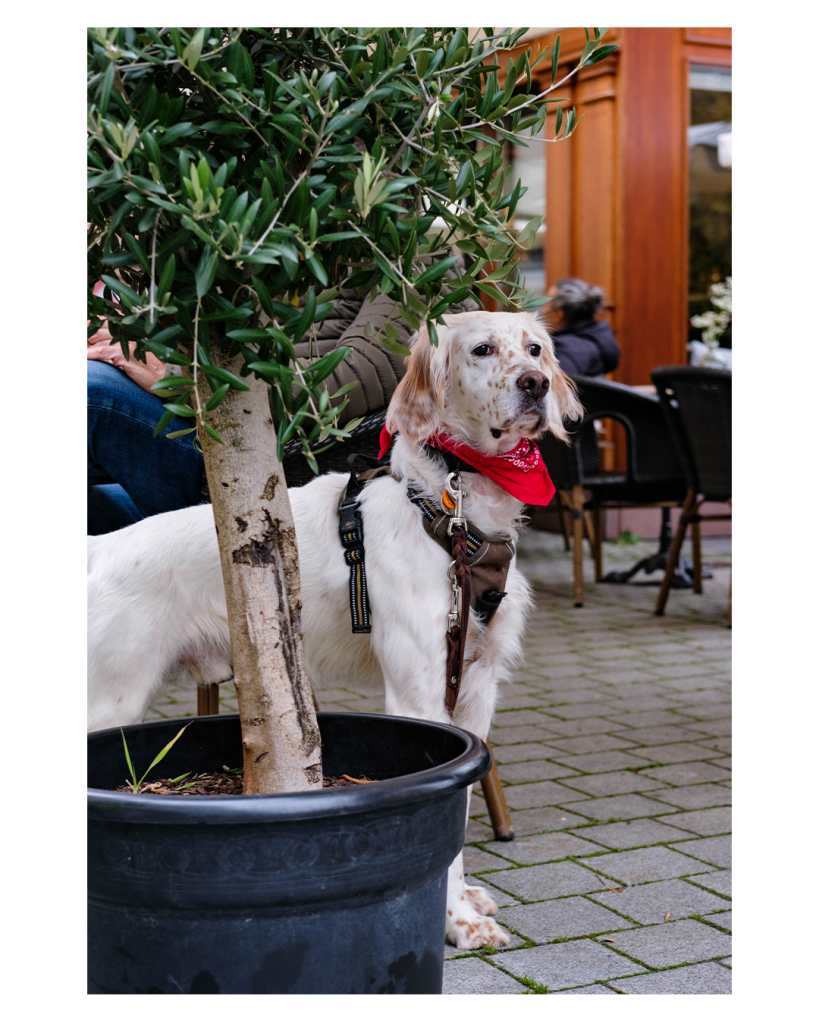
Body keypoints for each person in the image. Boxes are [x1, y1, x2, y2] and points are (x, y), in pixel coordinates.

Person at [544, 278, 620, 377]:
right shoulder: (597, 339)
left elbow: (553, 388)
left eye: (545, 305)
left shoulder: (567, 351)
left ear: (559, 315)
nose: (543, 310)